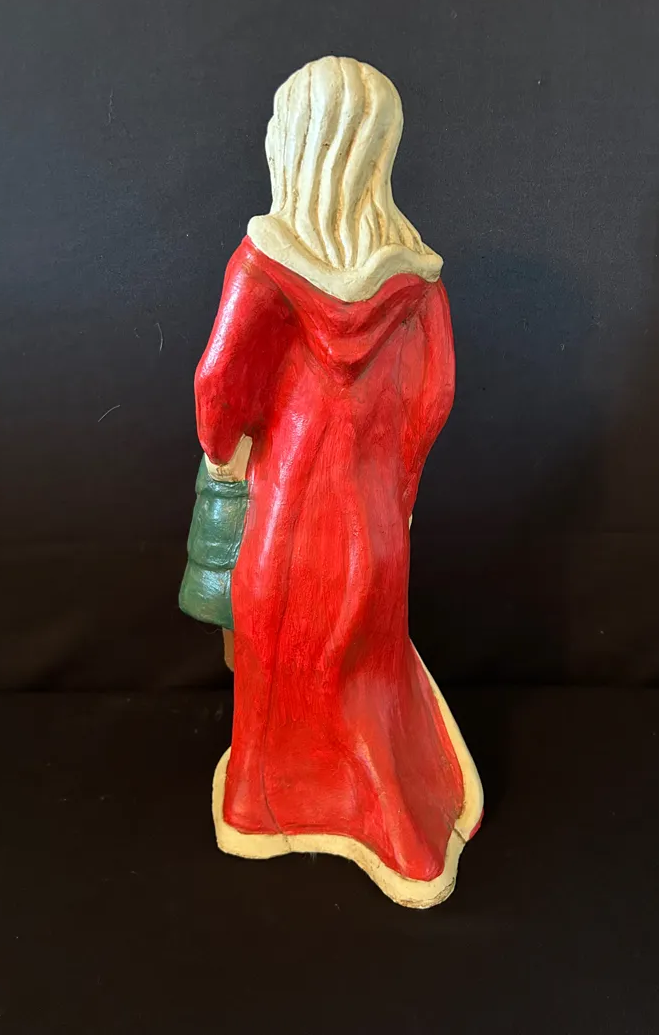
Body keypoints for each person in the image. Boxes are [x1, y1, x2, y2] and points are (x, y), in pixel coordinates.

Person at [194, 57, 482, 907]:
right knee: (365, 661)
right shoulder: (416, 278)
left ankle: (266, 806)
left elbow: (219, 389)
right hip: (375, 515)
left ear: (295, 141)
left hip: (287, 515)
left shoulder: (264, 265)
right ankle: (394, 816)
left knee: (282, 654)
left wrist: (223, 458)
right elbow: (433, 398)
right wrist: (398, 491)